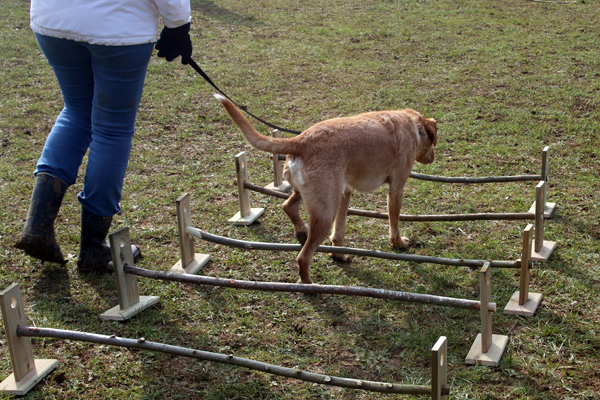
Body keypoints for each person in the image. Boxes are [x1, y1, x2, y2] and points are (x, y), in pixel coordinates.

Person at [15, 0, 194, 273]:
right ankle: (94, 246)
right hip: (118, 29)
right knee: (113, 130)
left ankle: (38, 223)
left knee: (76, 111)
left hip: (53, 20)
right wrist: (178, 25)